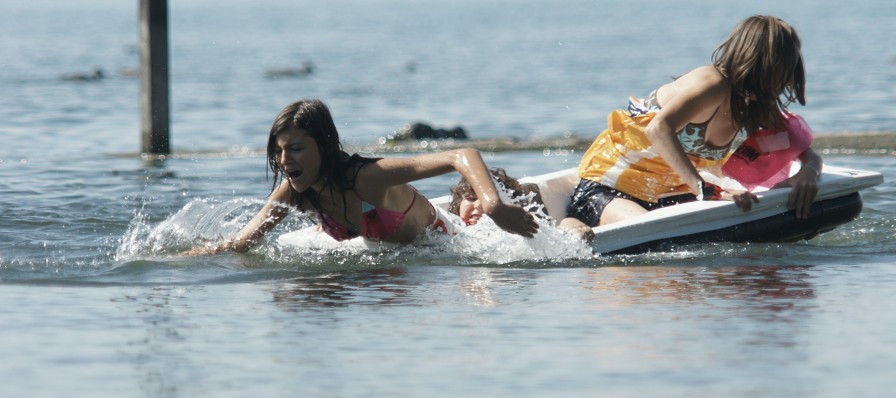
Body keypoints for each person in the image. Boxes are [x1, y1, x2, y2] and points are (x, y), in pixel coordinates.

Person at [562, 15, 823, 239]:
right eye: (781, 72)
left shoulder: (757, 105)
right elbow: (659, 128)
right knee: (653, 235)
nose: (784, 83)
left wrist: (810, 171)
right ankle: (569, 223)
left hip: (668, 195)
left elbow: (802, 150)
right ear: (759, 64)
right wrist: (704, 189)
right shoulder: (711, 84)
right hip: (609, 187)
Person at [191, 99, 538, 254]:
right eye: (279, 151)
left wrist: (493, 206)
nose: (284, 160)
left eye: (295, 148)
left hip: (442, 243)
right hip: (376, 253)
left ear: (323, 147)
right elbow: (243, 243)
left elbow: (462, 155)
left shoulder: (367, 178)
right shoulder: (294, 190)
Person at [448, 167, 546, 226]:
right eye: (471, 198)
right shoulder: (449, 230)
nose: (478, 205)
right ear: (458, 204)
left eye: (489, 201)